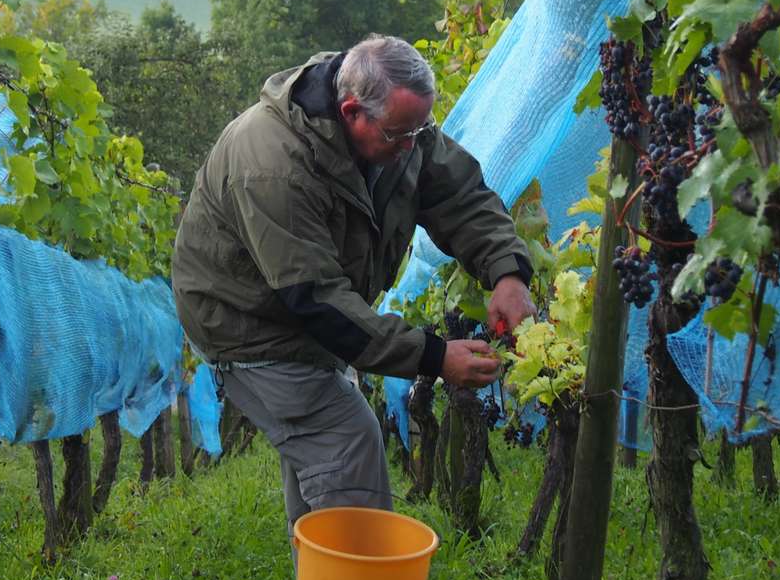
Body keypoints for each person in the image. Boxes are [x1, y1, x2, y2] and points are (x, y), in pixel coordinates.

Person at [171, 34, 536, 540]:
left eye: (420, 129)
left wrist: (508, 272)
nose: (412, 146)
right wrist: (435, 357)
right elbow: (316, 300)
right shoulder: (272, 162)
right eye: (398, 134)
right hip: (247, 323)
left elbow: (460, 196)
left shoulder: (396, 126)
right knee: (347, 439)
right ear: (350, 111)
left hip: (303, 313)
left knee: (327, 465)